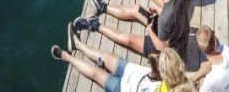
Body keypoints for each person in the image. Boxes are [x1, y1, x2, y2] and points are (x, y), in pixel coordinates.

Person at [74, 0, 190, 59]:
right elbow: (175, 7)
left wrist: (149, 31)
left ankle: (94, 25)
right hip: (179, 32)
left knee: (129, 39)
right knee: (136, 9)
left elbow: (161, 47)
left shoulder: (164, 20)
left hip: (173, 50)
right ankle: (102, 7)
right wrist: (160, 10)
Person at [49, 44, 187, 92]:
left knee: (96, 74)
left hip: (126, 89)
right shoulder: (182, 81)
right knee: (106, 56)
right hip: (134, 72)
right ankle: (78, 45)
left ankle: (67, 57)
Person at [188, 26, 229, 92]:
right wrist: (194, 79)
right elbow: (213, 62)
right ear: (214, 36)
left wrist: (192, 87)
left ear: (199, 48)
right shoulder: (227, 50)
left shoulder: (210, 80)